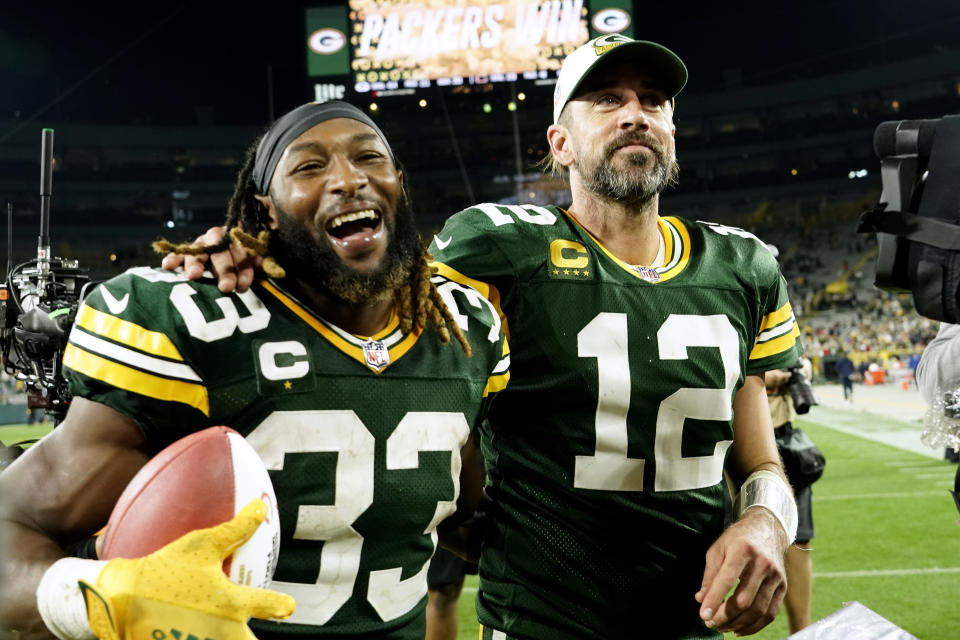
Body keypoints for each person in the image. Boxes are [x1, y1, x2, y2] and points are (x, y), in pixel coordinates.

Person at [174, 35, 803, 639]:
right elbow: (358, 295)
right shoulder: (501, 245)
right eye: (608, 100)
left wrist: (767, 519)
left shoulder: (742, 265)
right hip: (542, 621)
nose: (635, 115)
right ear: (560, 143)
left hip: (691, 618)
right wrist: (262, 249)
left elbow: (761, 460)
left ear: (671, 129)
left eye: (653, 102)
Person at [0, 101, 510, 640]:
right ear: (265, 211)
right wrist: (96, 600)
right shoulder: (193, 323)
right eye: (310, 166)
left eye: (368, 158)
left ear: (399, 184)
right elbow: (15, 526)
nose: (348, 179)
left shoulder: (464, 329)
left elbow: (473, 522)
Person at [764, 359, 816, 634]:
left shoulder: (783, 318)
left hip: (784, 438)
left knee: (798, 539)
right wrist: (760, 378)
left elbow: (801, 358)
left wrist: (803, 368)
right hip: (728, 435)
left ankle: (802, 634)